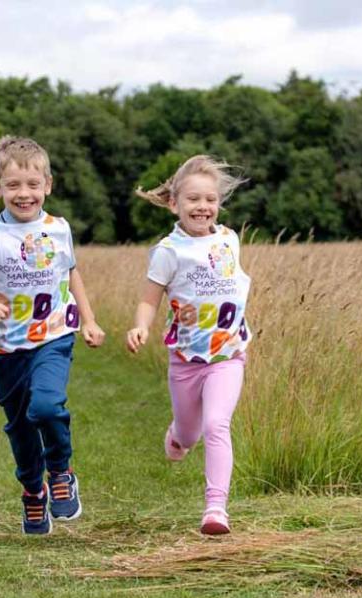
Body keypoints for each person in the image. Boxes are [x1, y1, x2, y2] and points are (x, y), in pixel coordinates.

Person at [0, 135, 105, 535]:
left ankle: (61, 471)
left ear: (48, 185)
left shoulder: (60, 229)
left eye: (33, 184)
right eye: (13, 185)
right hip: (7, 350)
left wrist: (89, 319)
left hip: (53, 336)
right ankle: (33, 492)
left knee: (47, 408)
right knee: (19, 428)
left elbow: (70, 273)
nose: (24, 194)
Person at [126, 155, 252, 535]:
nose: (203, 207)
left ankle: (216, 509)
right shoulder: (169, 250)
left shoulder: (229, 239)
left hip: (228, 355)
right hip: (185, 359)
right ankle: (177, 436)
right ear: (174, 203)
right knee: (189, 433)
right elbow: (150, 299)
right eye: (193, 199)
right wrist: (140, 327)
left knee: (217, 424)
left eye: (210, 200)